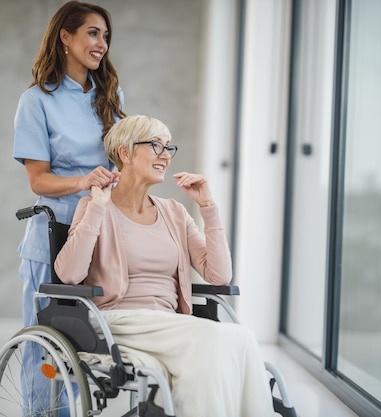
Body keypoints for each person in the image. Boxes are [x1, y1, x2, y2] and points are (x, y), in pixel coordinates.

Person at [54, 115, 275, 417]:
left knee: (241, 339)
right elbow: (69, 273)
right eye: (156, 145)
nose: (165, 155)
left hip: (169, 323)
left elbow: (219, 274)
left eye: (169, 148)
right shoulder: (95, 206)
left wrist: (208, 208)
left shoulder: (175, 212)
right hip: (118, 321)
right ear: (125, 153)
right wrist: (96, 208)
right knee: (214, 338)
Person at [12, 1, 124, 414]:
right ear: (66, 36)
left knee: (88, 347)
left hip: (96, 233)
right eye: (93, 33)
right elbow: (38, 179)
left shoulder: (109, 96)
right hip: (53, 233)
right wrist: (84, 180)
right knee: (46, 348)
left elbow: (120, 167)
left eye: (106, 36)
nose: (102, 44)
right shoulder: (36, 101)